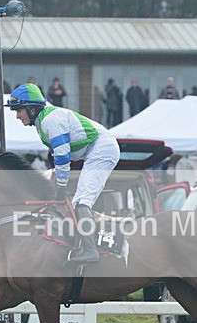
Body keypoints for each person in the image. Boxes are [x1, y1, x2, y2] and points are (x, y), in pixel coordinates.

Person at [6, 83, 120, 264]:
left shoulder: (50, 121)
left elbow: (62, 158)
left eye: (19, 110)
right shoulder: (42, 120)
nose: (17, 116)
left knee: (82, 201)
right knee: (78, 201)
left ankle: (91, 250)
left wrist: (60, 186)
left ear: (32, 108)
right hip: (94, 149)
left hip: (102, 148)